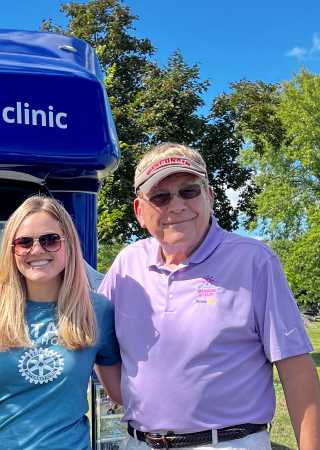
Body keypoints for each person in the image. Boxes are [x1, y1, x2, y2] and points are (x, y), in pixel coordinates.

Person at [98, 142, 320, 449]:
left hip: (227, 442)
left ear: (210, 196)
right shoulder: (127, 264)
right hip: (140, 442)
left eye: (189, 191)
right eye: (161, 197)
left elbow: (296, 369)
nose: (176, 206)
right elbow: (94, 333)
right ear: (140, 211)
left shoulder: (254, 261)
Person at [0, 195, 121, 450]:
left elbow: (120, 393)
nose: (37, 250)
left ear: (69, 244)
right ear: (12, 249)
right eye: (24, 242)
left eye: (50, 240)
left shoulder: (97, 311)